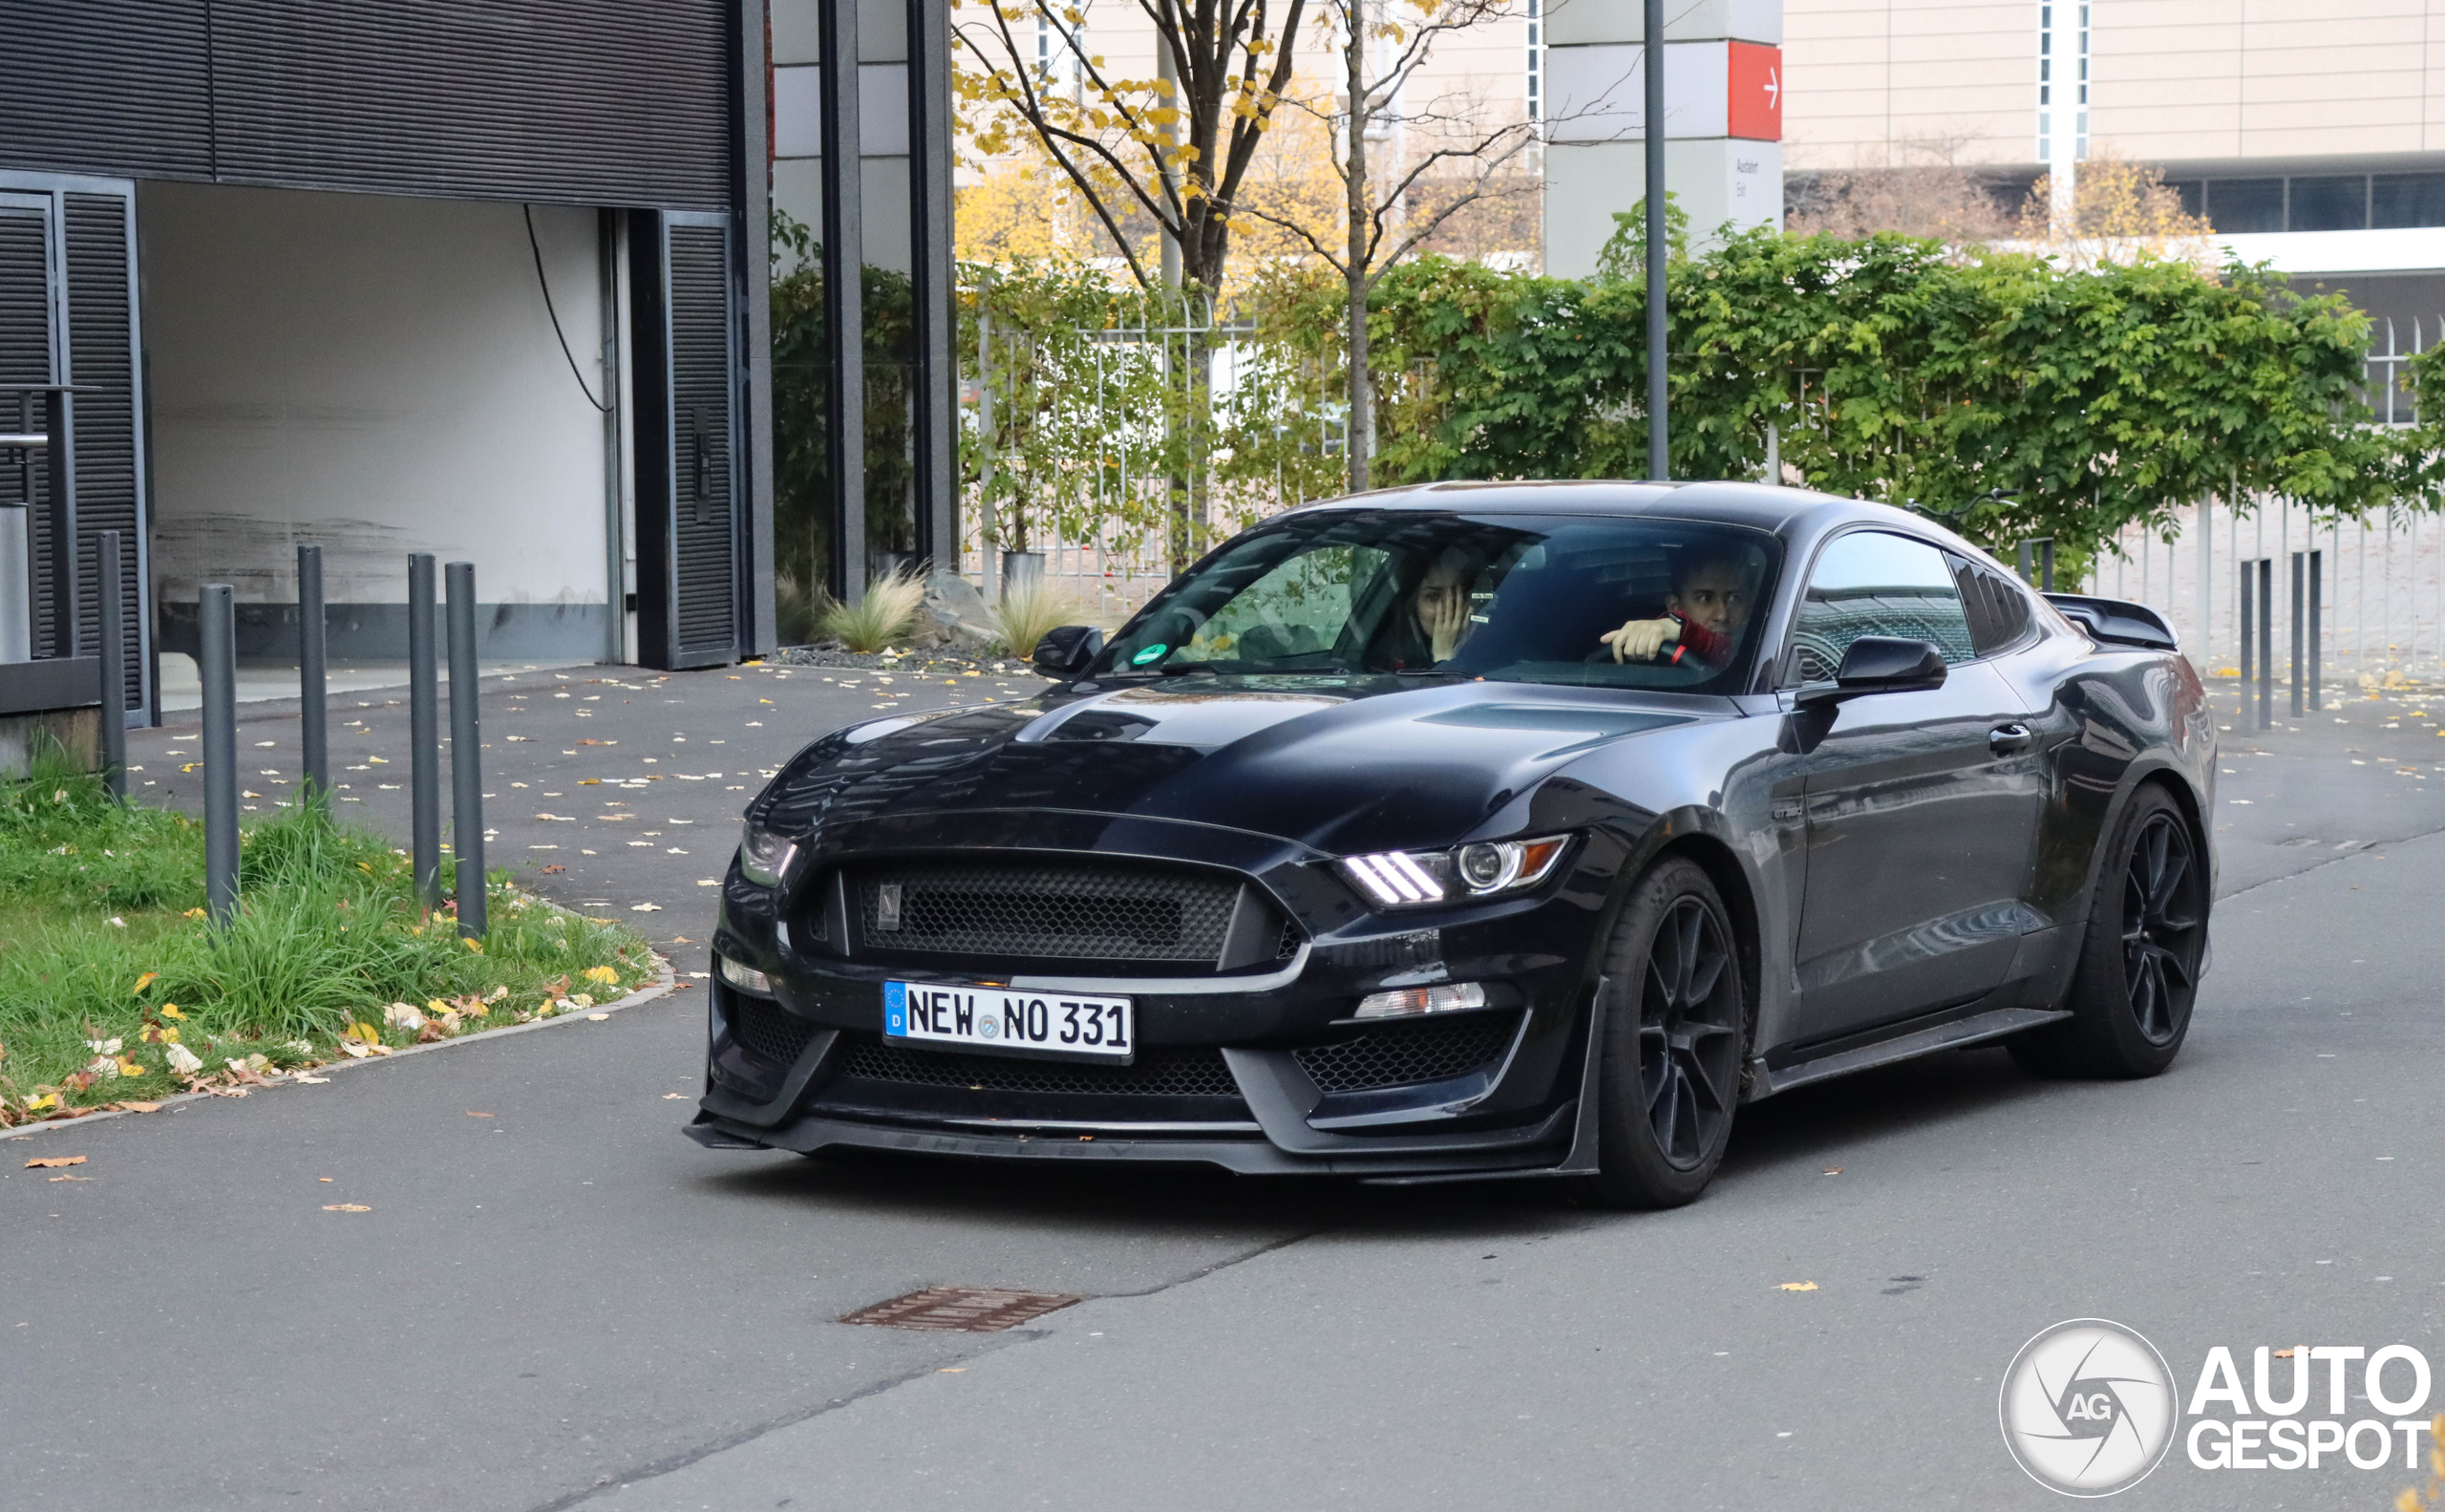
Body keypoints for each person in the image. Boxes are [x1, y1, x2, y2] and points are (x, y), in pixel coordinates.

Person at [1598, 550, 1754, 669]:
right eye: (1705, 598)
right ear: (1674, 607)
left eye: (1735, 598)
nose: (1722, 614)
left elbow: (1736, 656)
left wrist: (1684, 631)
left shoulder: (1766, 646)